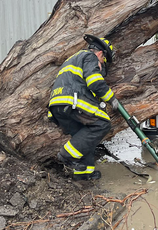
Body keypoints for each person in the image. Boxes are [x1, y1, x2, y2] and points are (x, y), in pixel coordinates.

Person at [48, 34, 119, 181]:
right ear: (100, 53)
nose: (102, 64)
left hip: (57, 105)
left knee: (85, 138)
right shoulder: (89, 56)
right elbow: (94, 81)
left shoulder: (72, 59)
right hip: (71, 100)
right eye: (104, 60)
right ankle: (66, 155)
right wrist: (111, 99)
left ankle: (84, 174)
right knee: (102, 123)